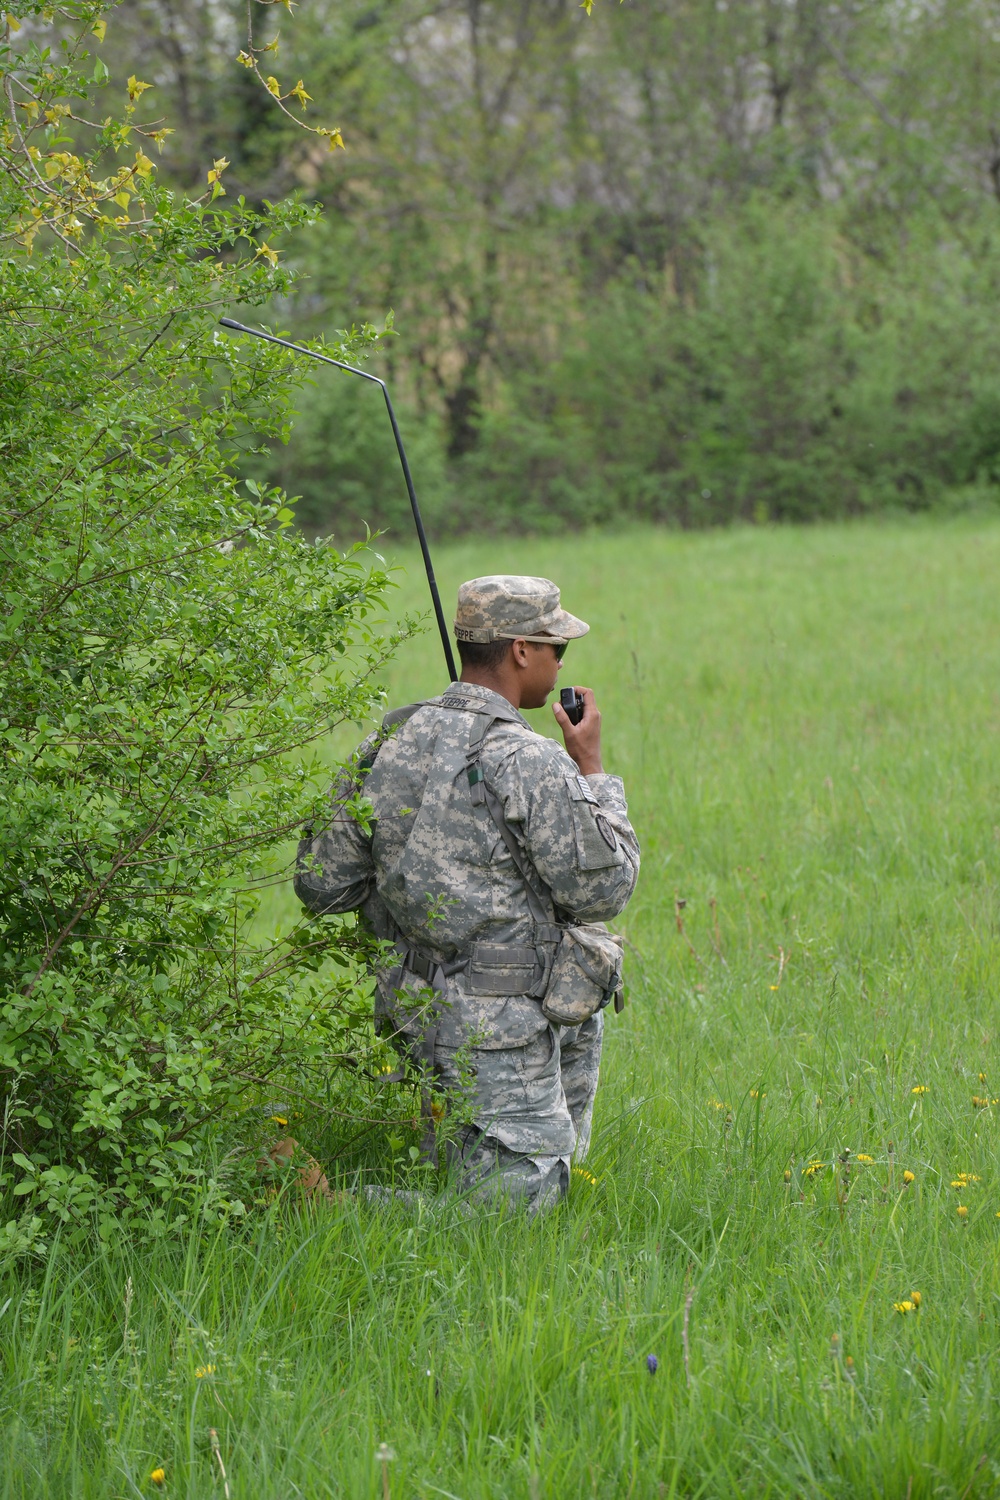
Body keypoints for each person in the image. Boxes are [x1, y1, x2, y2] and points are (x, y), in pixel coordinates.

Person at [295, 575, 640, 1211]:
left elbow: (320, 885)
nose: (561, 662)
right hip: (501, 1024)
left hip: (417, 1008)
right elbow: (605, 888)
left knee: (480, 1176)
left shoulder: (388, 741)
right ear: (520, 652)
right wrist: (592, 769)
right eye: (556, 648)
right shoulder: (528, 758)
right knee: (514, 1213)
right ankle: (321, 1202)